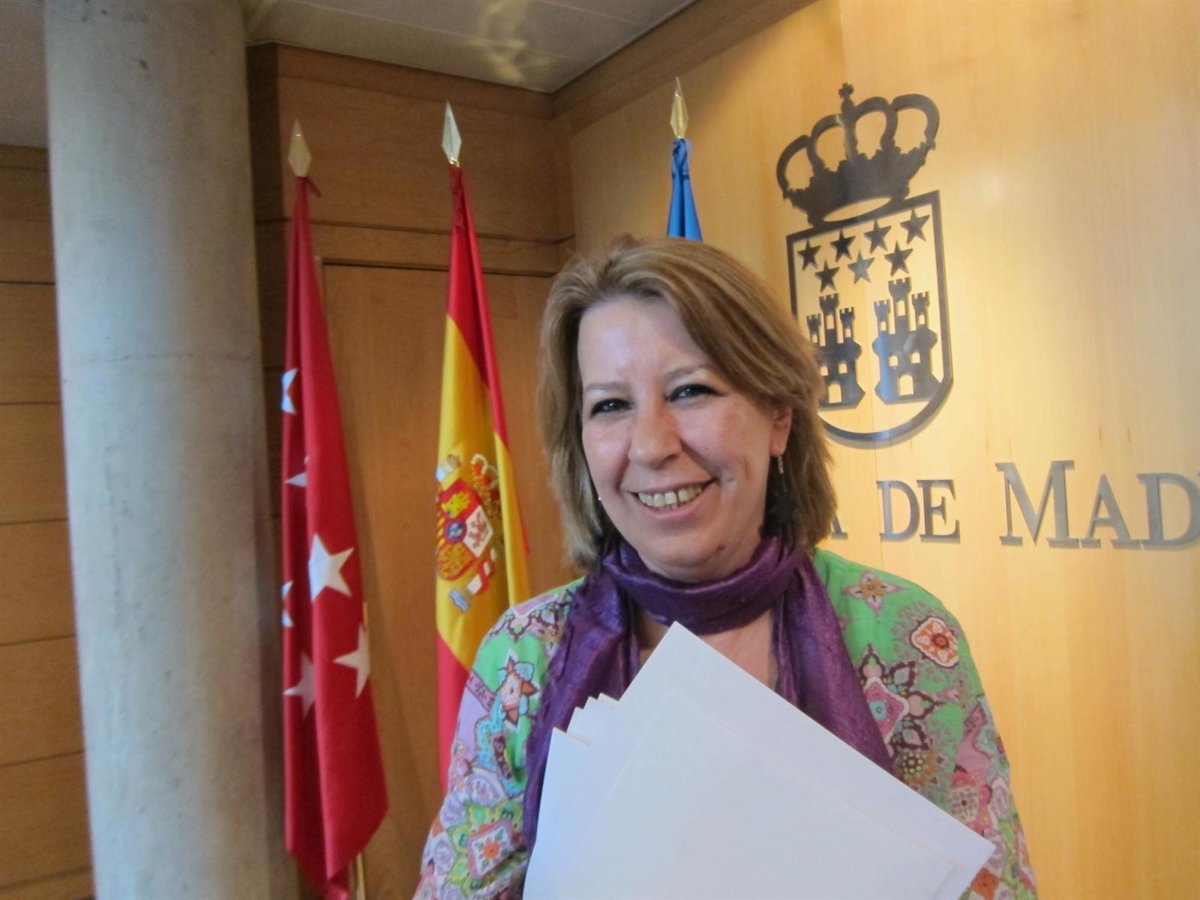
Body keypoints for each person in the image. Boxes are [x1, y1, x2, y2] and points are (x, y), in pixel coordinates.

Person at [416, 235, 1036, 899]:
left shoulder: (902, 634)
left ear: (778, 418)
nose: (651, 445)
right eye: (611, 405)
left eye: (691, 391)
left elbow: (993, 888)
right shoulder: (524, 656)